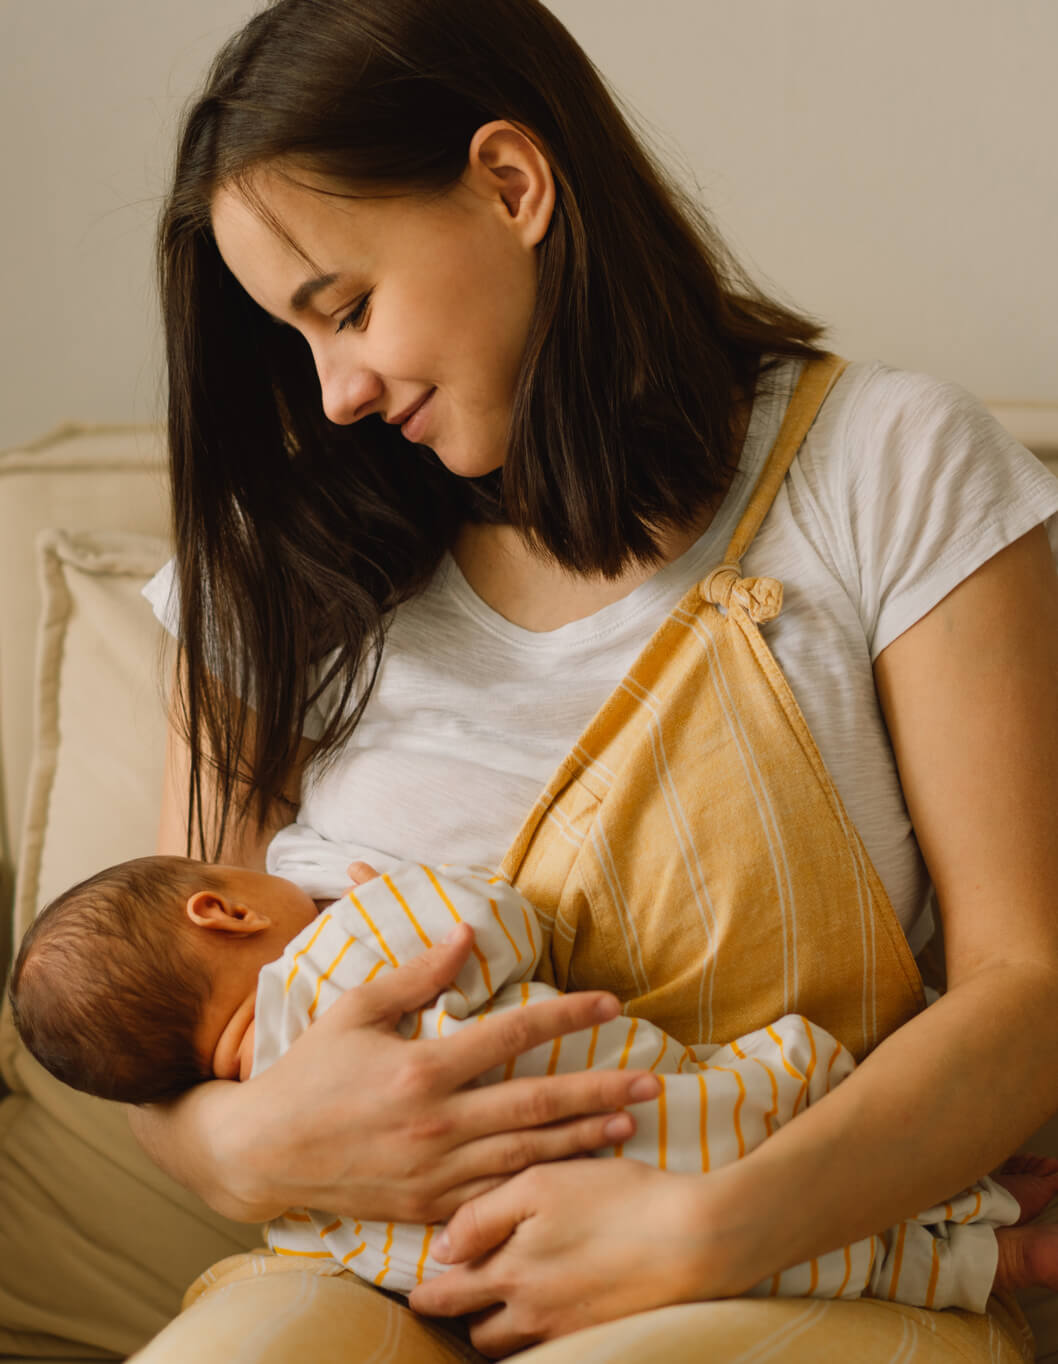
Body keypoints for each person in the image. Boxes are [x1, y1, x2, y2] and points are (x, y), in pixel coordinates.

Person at [122, 0, 1058, 1358]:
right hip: (374, 1273)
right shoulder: (277, 566)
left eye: (349, 309)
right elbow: (164, 1006)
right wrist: (246, 1147)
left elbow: (1024, 990)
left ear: (511, 185)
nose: (332, 393)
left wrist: (697, 1231)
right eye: (296, 341)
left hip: (785, 1265)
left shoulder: (882, 463)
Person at [12, 852, 1058, 1311]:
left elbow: (399, 1265)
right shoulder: (338, 951)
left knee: (827, 1264)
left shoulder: (301, 1214)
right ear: (222, 911)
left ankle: (990, 1260)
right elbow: (495, 918)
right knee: (803, 1089)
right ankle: (983, 1171)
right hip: (667, 1108)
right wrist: (395, 893)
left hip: (554, 1257)